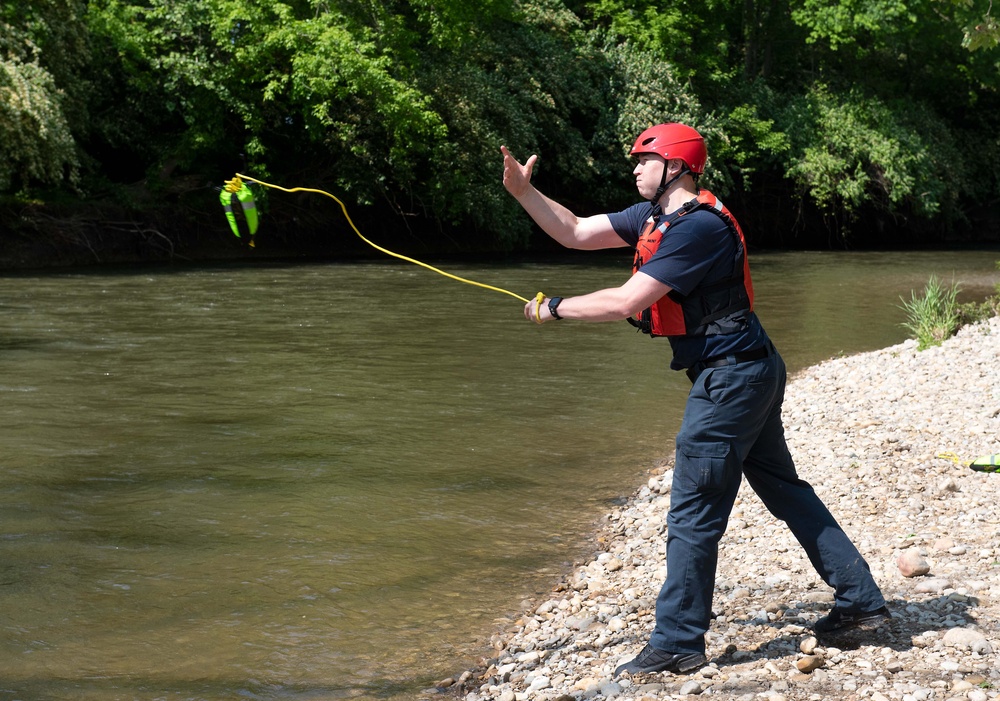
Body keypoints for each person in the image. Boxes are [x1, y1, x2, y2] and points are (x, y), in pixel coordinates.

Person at [500, 123, 889, 677]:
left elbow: (627, 300)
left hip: (731, 382)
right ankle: (861, 602)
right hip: (747, 372)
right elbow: (576, 232)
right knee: (783, 488)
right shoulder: (655, 217)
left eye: (643, 160)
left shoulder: (696, 229)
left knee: (693, 510)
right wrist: (522, 192)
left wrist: (555, 308)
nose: (634, 168)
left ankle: (679, 641)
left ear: (675, 167)